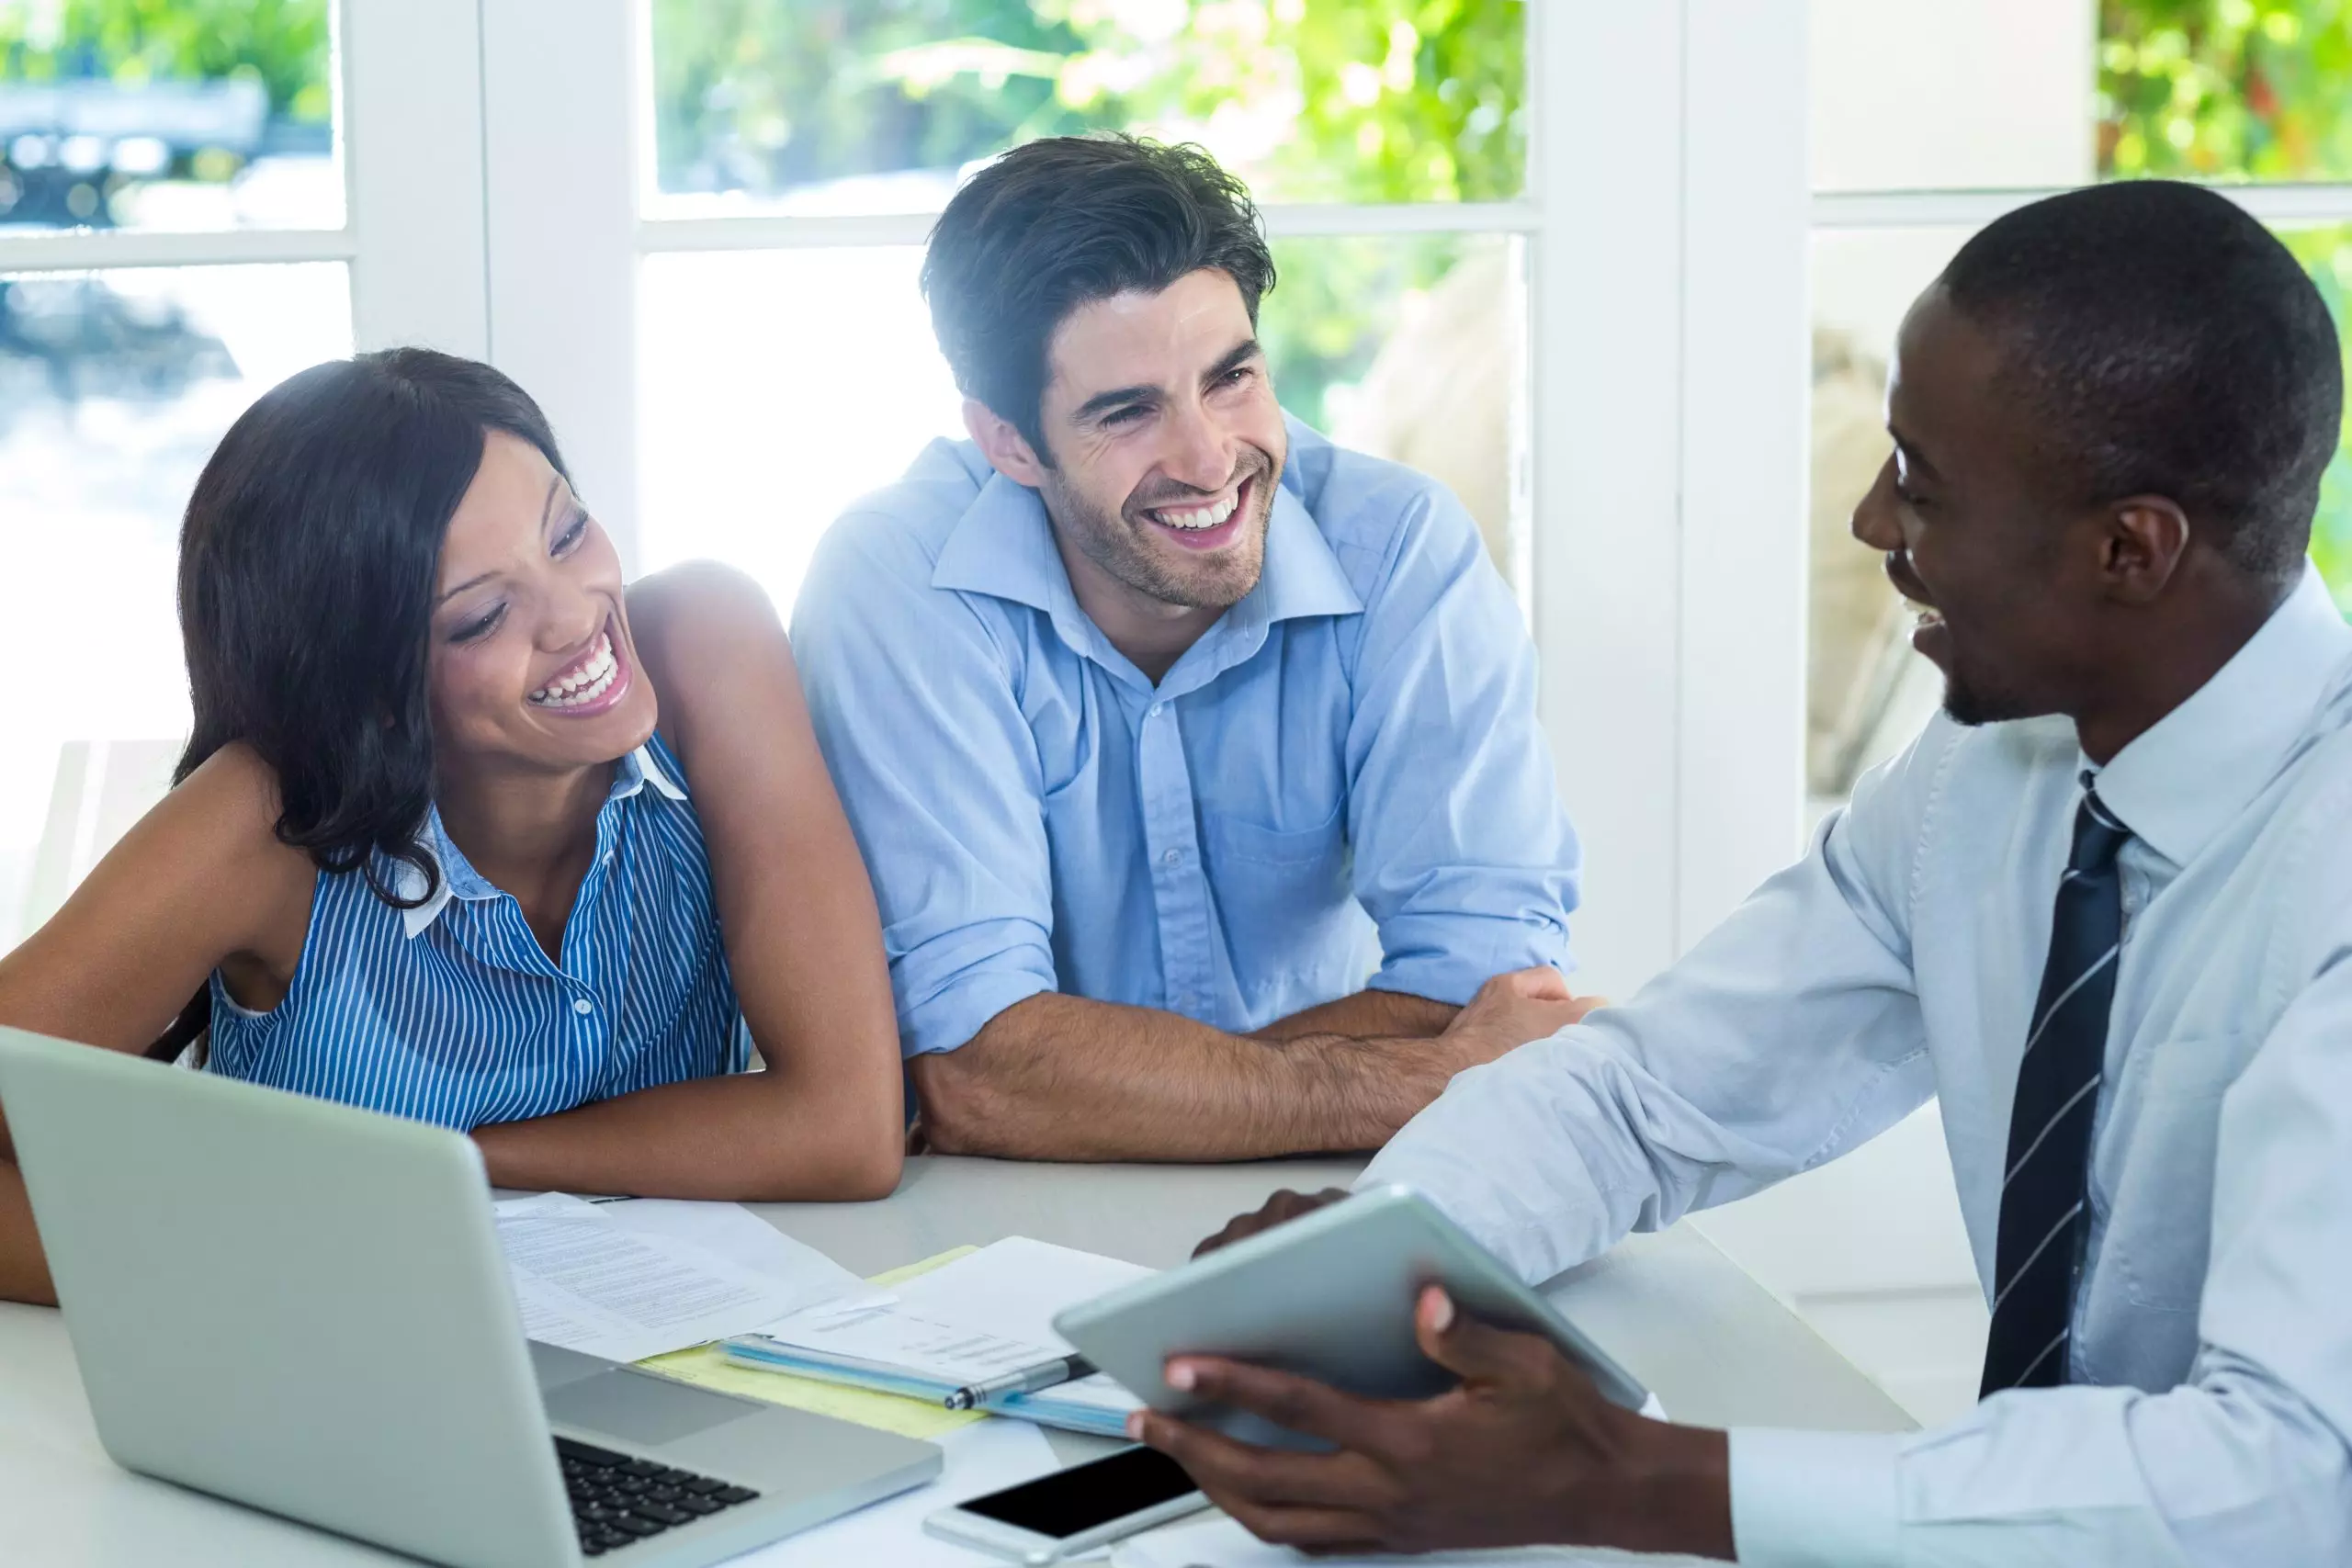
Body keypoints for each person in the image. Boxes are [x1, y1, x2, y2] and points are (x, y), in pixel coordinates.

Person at [1134, 181, 2352, 1565]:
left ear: (2130, 548)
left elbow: (2292, 1474)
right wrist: (1388, 1256)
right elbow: (1656, 1089)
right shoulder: (1992, 778)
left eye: (1922, 481)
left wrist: (1629, 1477)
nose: (1873, 520)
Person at [0, 350, 907, 1307]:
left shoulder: (703, 645)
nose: (575, 618)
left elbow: (846, 1127)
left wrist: (439, 1169)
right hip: (369, 1382)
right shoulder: (269, 813)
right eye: (480, 617)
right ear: (368, 691)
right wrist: (227, 1264)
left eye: (566, 532)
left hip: (691, 1347)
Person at [791, 134, 1589, 1162]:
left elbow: (1493, 995)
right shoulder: (898, 579)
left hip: (1335, 1192)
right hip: (1006, 1223)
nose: (1208, 457)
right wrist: (1406, 1080)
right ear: (1007, 443)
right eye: (1127, 412)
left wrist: (1114, 1090)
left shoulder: (1398, 552)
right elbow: (975, 1070)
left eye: (1231, 378)